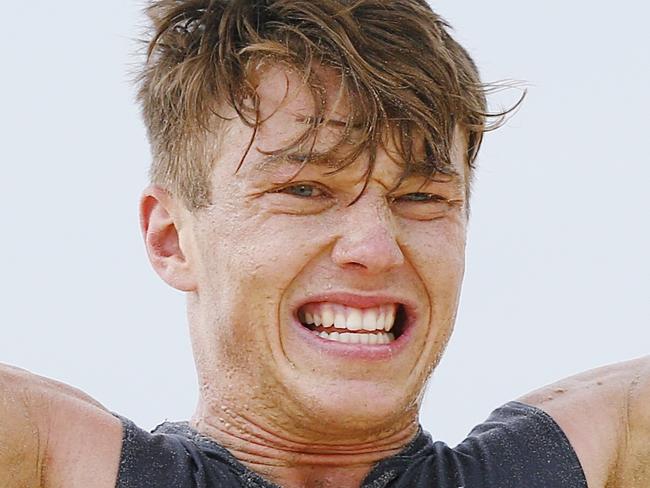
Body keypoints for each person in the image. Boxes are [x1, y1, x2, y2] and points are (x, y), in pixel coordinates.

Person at [1, 1, 648, 487]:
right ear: (172, 240)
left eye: (421, 197)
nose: (376, 247)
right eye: (306, 189)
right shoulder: (55, 456)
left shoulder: (592, 452)